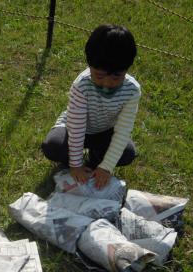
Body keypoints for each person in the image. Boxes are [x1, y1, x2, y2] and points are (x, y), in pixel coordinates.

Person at [41, 24, 140, 189]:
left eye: (116, 78)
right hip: (73, 128)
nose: (107, 84)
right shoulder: (82, 85)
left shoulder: (132, 90)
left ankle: (97, 159)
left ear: (126, 69)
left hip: (105, 130)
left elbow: (123, 130)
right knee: (53, 146)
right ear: (89, 65)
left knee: (127, 153)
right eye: (99, 76)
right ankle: (74, 160)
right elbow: (76, 127)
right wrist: (75, 164)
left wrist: (106, 167)